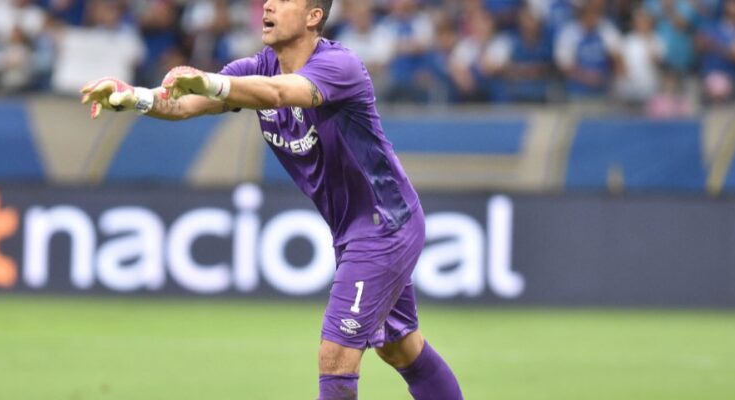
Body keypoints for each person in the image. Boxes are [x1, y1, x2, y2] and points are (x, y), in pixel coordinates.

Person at [79, 1, 464, 399]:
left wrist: (212, 83)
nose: (268, 4)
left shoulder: (340, 67)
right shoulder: (257, 69)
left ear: (314, 16)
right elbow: (182, 103)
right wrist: (133, 96)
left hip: (384, 224)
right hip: (352, 229)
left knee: (335, 358)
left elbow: (281, 94)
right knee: (400, 348)